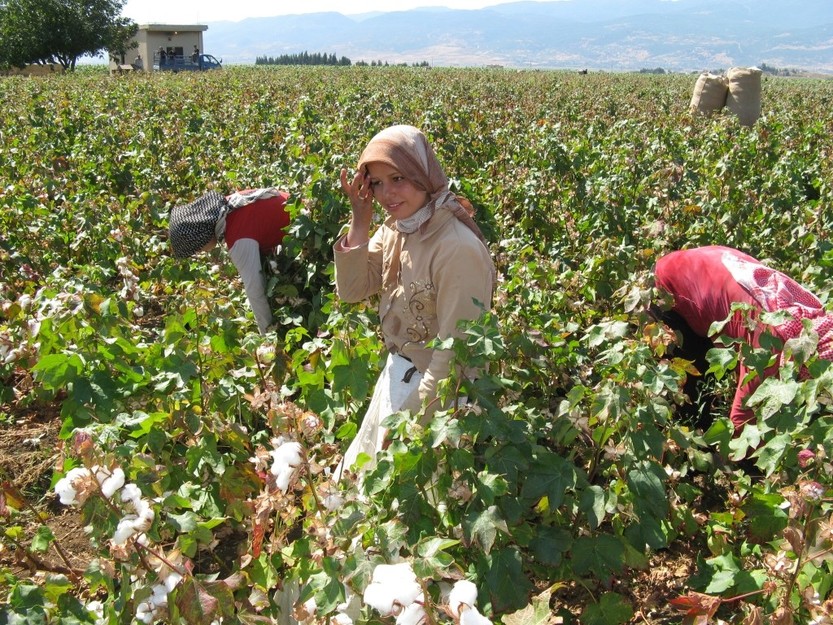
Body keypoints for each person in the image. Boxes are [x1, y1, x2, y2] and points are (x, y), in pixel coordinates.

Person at [333, 124, 496, 480]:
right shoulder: (397, 228)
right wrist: (360, 220)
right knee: (362, 490)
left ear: (423, 174)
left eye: (398, 178)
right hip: (399, 378)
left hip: (438, 402)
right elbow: (353, 289)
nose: (387, 193)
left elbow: (454, 356)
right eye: (377, 183)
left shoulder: (456, 248)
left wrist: (413, 425)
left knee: (412, 497)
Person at [654, 245, 833, 431]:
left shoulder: (814, 317)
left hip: (710, 265)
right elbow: (742, 421)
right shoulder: (769, 348)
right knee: (690, 391)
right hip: (669, 286)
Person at [168, 188, 291, 334]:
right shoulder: (228, 205)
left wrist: (267, 335)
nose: (200, 252)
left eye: (196, 249)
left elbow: (255, 290)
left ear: (201, 238)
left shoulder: (238, 236)